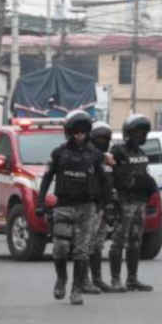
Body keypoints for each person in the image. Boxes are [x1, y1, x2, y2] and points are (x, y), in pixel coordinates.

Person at [37, 110, 108, 305]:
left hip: (86, 208)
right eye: (76, 133)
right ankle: (61, 278)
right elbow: (47, 178)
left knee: (81, 250)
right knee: (60, 248)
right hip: (64, 206)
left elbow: (103, 180)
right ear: (69, 133)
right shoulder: (59, 153)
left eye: (83, 133)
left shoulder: (94, 154)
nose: (79, 136)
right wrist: (40, 202)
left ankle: (77, 289)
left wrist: (103, 205)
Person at [108, 113, 158, 292]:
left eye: (144, 133)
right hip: (124, 201)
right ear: (129, 133)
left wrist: (150, 185)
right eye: (138, 132)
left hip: (140, 202)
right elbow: (110, 175)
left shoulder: (142, 153)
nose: (141, 136)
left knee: (136, 241)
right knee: (118, 241)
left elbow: (144, 174)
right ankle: (115, 280)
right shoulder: (118, 151)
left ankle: (132, 279)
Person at [87, 121, 119, 294]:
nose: (103, 141)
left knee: (98, 244)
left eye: (106, 138)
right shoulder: (90, 156)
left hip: (104, 206)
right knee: (86, 244)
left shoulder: (107, 158)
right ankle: (83, 281)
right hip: (91, 206)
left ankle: (97, 279)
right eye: (99, 138)